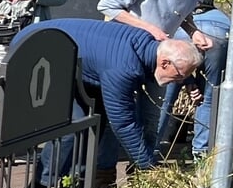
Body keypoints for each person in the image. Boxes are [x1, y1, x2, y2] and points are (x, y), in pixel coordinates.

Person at [37, 18, 201, 178]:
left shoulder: (149, 48)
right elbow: (123, 123)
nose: (179, 81)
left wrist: (189, 79)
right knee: (74, 125)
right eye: (180, 76)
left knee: (96, 120)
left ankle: (75, 183)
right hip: (41, 50)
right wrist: (148, 168)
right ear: (165, 63)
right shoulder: (124, 69)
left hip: (74, 59)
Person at [158, 0, 231, 156]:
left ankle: (151, 148)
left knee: (166, 99)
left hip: (182, 34)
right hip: (217, 36)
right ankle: (201, 152)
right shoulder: (222, 16)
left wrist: (187, 80)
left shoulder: (182, 13)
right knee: (208, 99)